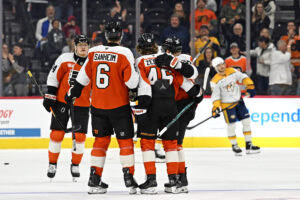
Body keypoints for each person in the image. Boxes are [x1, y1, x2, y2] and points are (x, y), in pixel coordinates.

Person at [65, 21, 139, 194]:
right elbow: (131, 82)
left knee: (100, 142)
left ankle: (94, 179)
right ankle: (129, 178)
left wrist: (72, 93)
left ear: (105, 36)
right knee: (125, 142)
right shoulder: (124, 52)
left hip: (97, 106)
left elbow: (82, 79)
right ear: (121, 35)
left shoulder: (93, 52)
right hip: (119, 106)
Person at [134, 33, 202, 194]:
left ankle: (151, 181)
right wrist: (196, 93)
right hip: (172, 106)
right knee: (172, 144)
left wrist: (140, 106)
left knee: (148, 143)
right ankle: (174, 181)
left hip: (156, 106)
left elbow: (143, 84)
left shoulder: (143, 61)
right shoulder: (167, 59)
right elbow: (186, 82)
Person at [43, 35, 91, 182]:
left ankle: (75, 164)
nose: (83, 47)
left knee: (81, 137)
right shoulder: (64, 58)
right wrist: (50, 96)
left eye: (86, 44)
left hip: (82, 103)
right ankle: (52, 163)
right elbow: (53, 77)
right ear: (74, 46)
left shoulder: (93, 61)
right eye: (80, 44)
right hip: (61, 102)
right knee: (57, 134)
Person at [160, 36, 202, 193]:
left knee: (176, 143)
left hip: (184, 104)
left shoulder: (184, 59)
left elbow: (192, 74)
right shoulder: (163, 58)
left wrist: (177, 64)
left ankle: (180, 179)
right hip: (171, 104)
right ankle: (180, 178)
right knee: (174, 142)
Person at [210, 57, 260, 156]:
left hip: (239, 102)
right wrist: (215, 108)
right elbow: (215, 96)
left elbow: (243, 77)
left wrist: (250, 87)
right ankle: (234, 145)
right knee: (231, 125)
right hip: (227, 106)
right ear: (215, 67)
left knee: (246, 122)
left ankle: (249, 144)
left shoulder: (232, 71)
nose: (222, 66)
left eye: (223, 64)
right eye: (219, 65)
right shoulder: (214, 81)